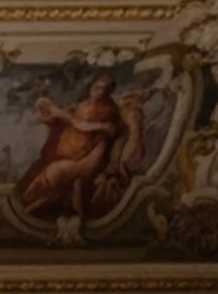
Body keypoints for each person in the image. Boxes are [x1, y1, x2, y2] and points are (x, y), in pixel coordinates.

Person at [16, 74, 147, 224]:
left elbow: (85, 126)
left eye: (104, 89)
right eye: (97, 87)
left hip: (84, 159)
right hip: (64, 155)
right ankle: (28, 209)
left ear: (108, 92)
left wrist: (61, 113)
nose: (99, 91)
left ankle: (29, 210)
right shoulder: (83, 105)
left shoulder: (108, 110)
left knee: (51, 178)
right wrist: (49, 114)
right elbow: (65, 121)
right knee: (36, 182)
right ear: (92, 87)